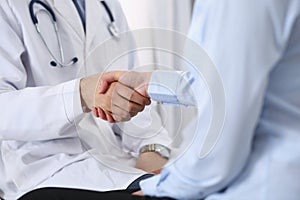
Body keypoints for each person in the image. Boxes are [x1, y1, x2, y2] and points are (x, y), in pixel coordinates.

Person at [97, 0, 300, 199]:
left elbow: (220, 143)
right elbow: (232, 79)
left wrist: (163, 187)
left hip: (263, 184)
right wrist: (150, 83)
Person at [0, 0, 172, 199]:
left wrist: (151, 149)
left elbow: (133, 87)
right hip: (45, 170)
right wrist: (81, 94)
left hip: (117, 163)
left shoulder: (105, 4)